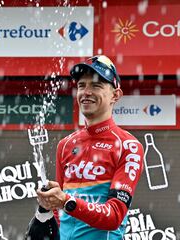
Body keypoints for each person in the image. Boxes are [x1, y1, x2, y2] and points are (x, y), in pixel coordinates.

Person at [37, 55, 144, 239]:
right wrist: (49, 204)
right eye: (81, 86)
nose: (86, 92)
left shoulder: (128, 146)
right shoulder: (66, 145)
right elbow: (58, 214)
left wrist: (66, 201)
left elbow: (115, 216)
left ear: (115, 95)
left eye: (96, 86)